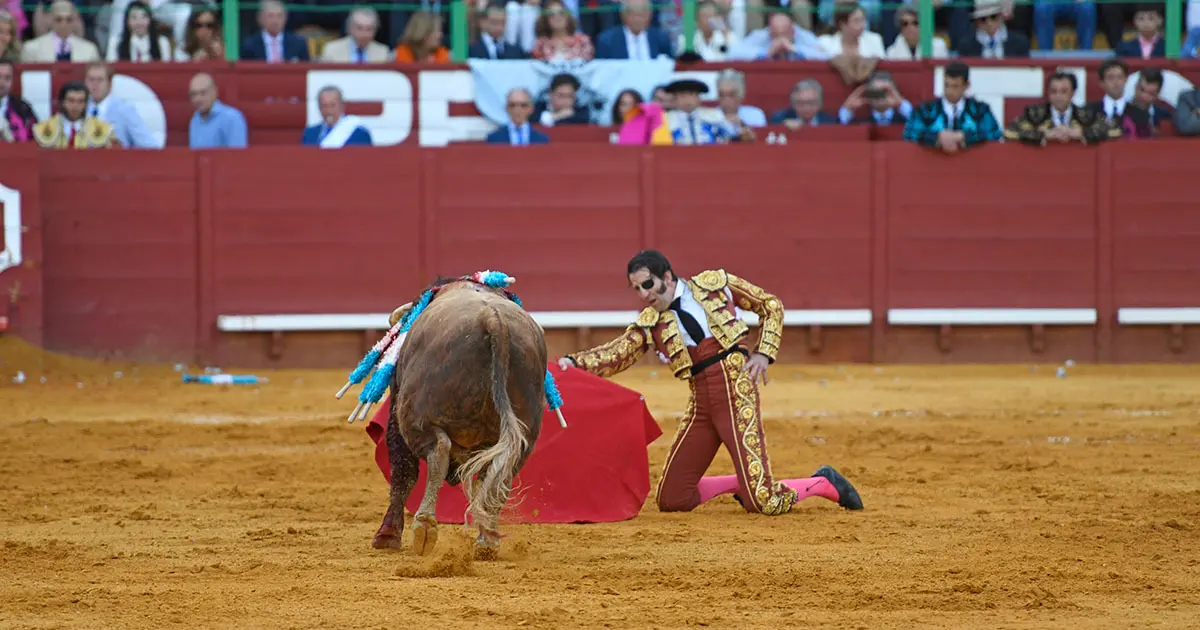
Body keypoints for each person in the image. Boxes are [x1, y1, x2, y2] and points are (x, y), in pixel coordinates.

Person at [556, 250, 864, 516]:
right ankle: (741, 482)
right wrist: (574, 363)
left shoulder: (714, 286)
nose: (643, 294)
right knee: (673, 498)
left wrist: (764, 354)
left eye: (647, 284)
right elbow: (618, 353)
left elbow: (771, 306)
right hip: (701, 401)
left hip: (735, 389)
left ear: (667, 276)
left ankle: (824, 483)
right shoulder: (651, 323)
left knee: (764, 502)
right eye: (636, 288)